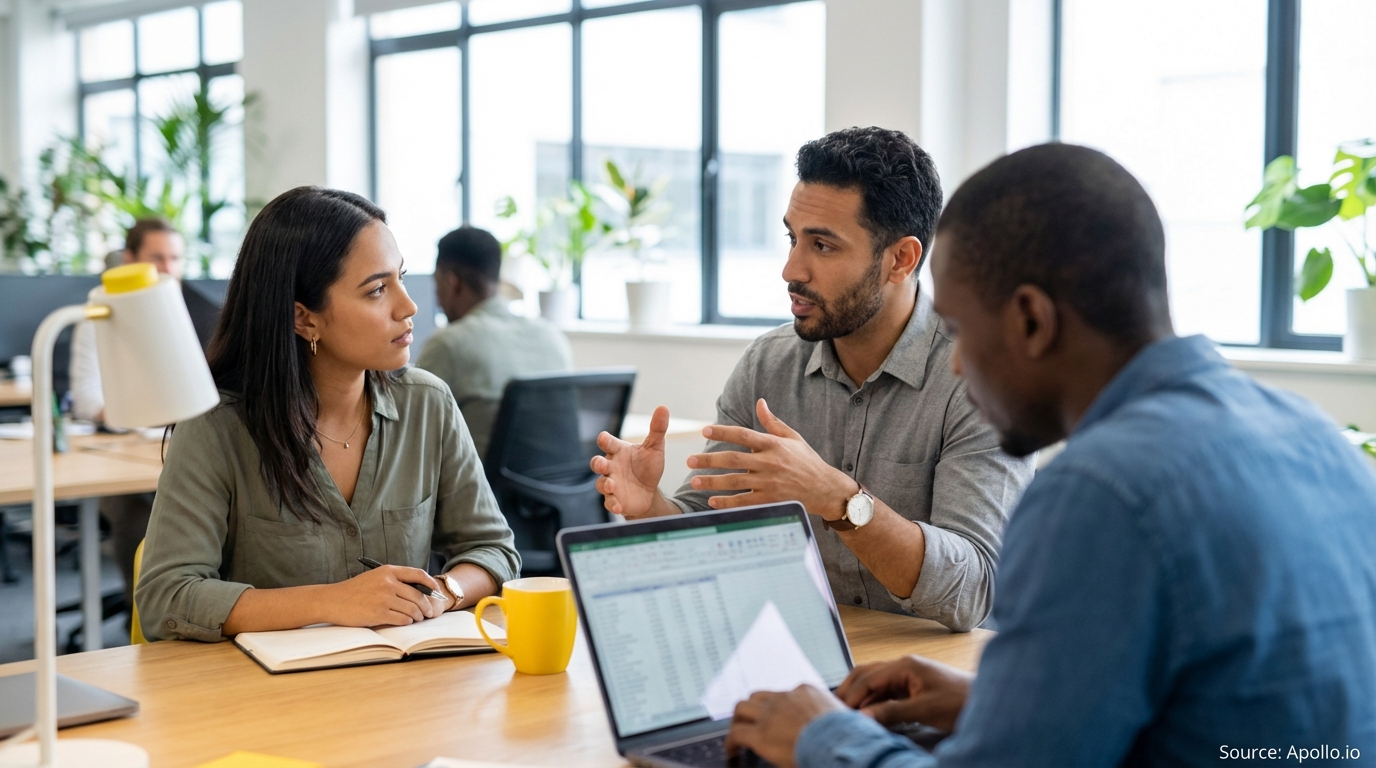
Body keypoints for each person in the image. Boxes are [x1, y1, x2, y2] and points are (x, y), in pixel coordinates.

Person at [721, 144, 1376, 767]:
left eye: (959, 330)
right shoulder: (1313, 436)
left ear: (1031, 320)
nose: (954, 360)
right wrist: (990, 703)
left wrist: (821, 736)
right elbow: (1227, 710)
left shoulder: (1101, 493)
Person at [591, 127, 1034, 631]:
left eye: (822, 245)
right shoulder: (767, 365)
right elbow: (709, 537)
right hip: (797, 663)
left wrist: (840, 501)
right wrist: (652, 509)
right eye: (792, 238)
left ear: (900, 260)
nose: (790, 269)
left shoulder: (977, 377)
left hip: (935, 683)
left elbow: (974, 590)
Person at [137, 187, 520, 642]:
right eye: (378, 289)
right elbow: (166, 597)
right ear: (304, 319)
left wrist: (441, 591)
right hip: (264, 699)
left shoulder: (427, 403)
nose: (409, 306)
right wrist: (333, 601)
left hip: (404, 689)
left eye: (400, 277)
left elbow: (493, 548)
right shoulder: (216, 425)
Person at [68, 218, 186, 611]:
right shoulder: (101, 311)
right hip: (122, 452)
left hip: (186, 445)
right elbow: (85, 398)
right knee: (138, 515)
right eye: (157, 258)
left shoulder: (206, 314)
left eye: (176, 258)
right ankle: (147, 614)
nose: (168, 269)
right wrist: (140, 414)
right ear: (129, 259)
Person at [414, 226, 572, 460]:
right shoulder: (552, 336)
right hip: (561, 494)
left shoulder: (448, 344)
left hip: (481, 495)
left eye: (437, 283)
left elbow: (409, 434)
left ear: (451, 282)